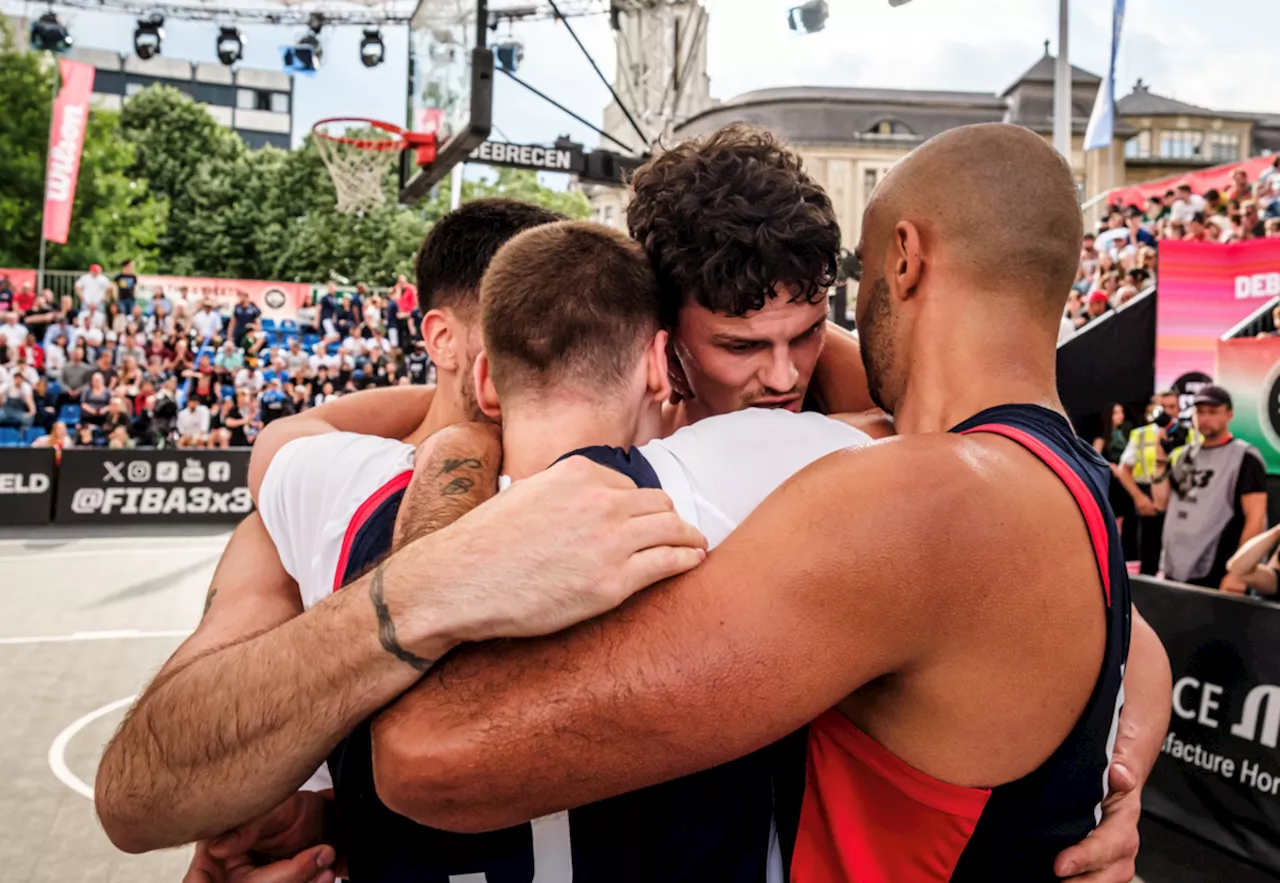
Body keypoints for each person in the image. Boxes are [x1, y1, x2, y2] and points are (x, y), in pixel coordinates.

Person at [228, 124, 1168, 881]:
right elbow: (301, 446)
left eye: (806, 333)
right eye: (741, 347)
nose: (782, 373)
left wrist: (1105, 779)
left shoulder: (865, 425)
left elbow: (1116, 628)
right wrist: (463, 435)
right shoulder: (600, 430)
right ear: (657, 337)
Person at [1156, 385, 1267, 590]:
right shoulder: (1183, 455)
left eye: (1213, 412)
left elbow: (1256, 519)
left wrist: (1238, 574)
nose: (1205, 419)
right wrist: (1161, 460)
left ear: (1229, 414)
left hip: (1215, 570)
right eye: (1200, 412)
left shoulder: (1245, 458)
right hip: (1174, 567)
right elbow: (1161, 503)